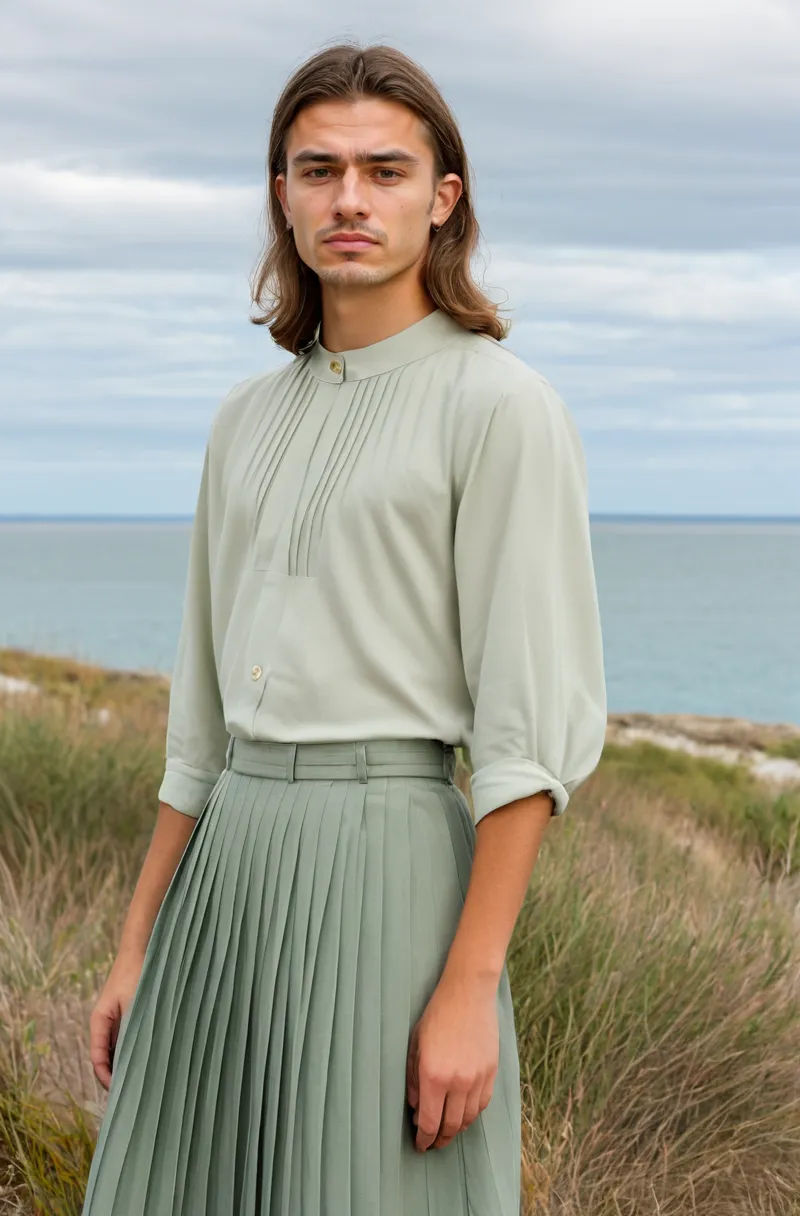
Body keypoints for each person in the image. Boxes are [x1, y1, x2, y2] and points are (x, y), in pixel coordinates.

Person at [81, 39, 608, 1216]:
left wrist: (468, 986)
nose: (350, 200)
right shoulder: (242, 420)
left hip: (390, 875)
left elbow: (525, 742)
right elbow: (198, 728)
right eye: (319, 170)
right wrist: (136, 944)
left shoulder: (501, 409)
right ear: (283, 194)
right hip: (223, 877)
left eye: (385, 170)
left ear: (443, 197)